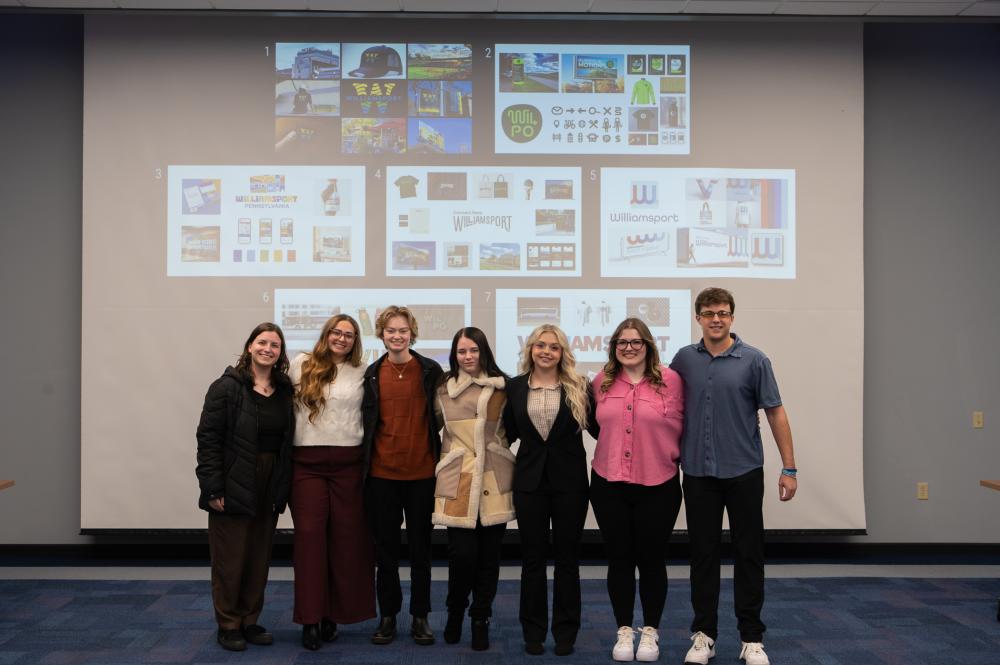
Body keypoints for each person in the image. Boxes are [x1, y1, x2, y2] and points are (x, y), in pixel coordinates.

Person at [670, 288, 798, 665]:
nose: (716, 319)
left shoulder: (754, 360)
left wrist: (789, 468)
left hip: (743, 471)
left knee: (749, 555)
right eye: (709, 313)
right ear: (698, 317)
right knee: (703, 557)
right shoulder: (683, 360)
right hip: (697, 473)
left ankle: (752, 638)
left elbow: (775, 412)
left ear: (732, 317)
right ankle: (704, 636)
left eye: (723, 313)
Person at [195, 322, 294, 652]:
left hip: (270, 480)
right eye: (262, 342)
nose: (268, 349)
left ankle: (250, 620)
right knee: (230, 558)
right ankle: (228, 624)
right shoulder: (226, 387)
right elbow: (208, 440)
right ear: (249, 346)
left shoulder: (284, 390)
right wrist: (212, 488)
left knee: (258, 556)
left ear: (280, 354)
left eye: (275, 345)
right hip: (234, 479)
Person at [590, 318, 684, 662]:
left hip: (658, 484)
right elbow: (595, 425)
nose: (629, 348)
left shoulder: (672, 381)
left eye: (636, 342)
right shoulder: (601, 381)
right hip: (608, 484)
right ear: (614, 347)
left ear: (648, 345)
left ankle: (650, 633)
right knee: (619, 559)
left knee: (652, 560)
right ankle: (624, 630)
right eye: (621, 343)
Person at [288, 314, 375, 650]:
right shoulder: (301, 364)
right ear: (326, 335)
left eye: (349, 335)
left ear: (356, 341)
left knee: (346, 543)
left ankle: (332, 617)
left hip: (348, 465)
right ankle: (310, 619)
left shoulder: (363, 370)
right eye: (336, 333)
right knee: (309, 541)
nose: (342, 339)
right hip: (307, 464)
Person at [503, 324, 591, 657]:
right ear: (530, 350)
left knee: (568, 561)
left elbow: (601, 427)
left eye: (554, 347)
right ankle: (533, 631)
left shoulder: (579, 387)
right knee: (533, 561)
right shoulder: (514, 387)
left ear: (562, 353)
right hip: (529, 485)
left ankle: (566, 632)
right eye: (540, 345)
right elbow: (506, 433)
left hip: (570, 485)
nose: (546, 352)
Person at [361, 305, 444, 645]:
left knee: (422, 552)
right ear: (381, 334)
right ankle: (388, 616)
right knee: (386, 554)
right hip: (382, 476)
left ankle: (420, 617)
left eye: (403, 330)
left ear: (412, 333)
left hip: (423, 474)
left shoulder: (430, 370)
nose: (397, 336)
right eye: (390, 330)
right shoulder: (370, 373)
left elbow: (442, 417)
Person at [432, 327, 514, 651]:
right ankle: (455, 612)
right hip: (459, 479)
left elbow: (515, 428)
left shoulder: (504, 389)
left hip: (494, 480)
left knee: (489, 559)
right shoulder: (443, 389)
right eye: (461, 352)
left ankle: (481, 618)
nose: (467, 357)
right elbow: (429, 427)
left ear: (484, 352)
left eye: (473, 351)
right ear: (454, 355)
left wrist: (501, 453)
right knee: (461, 557)